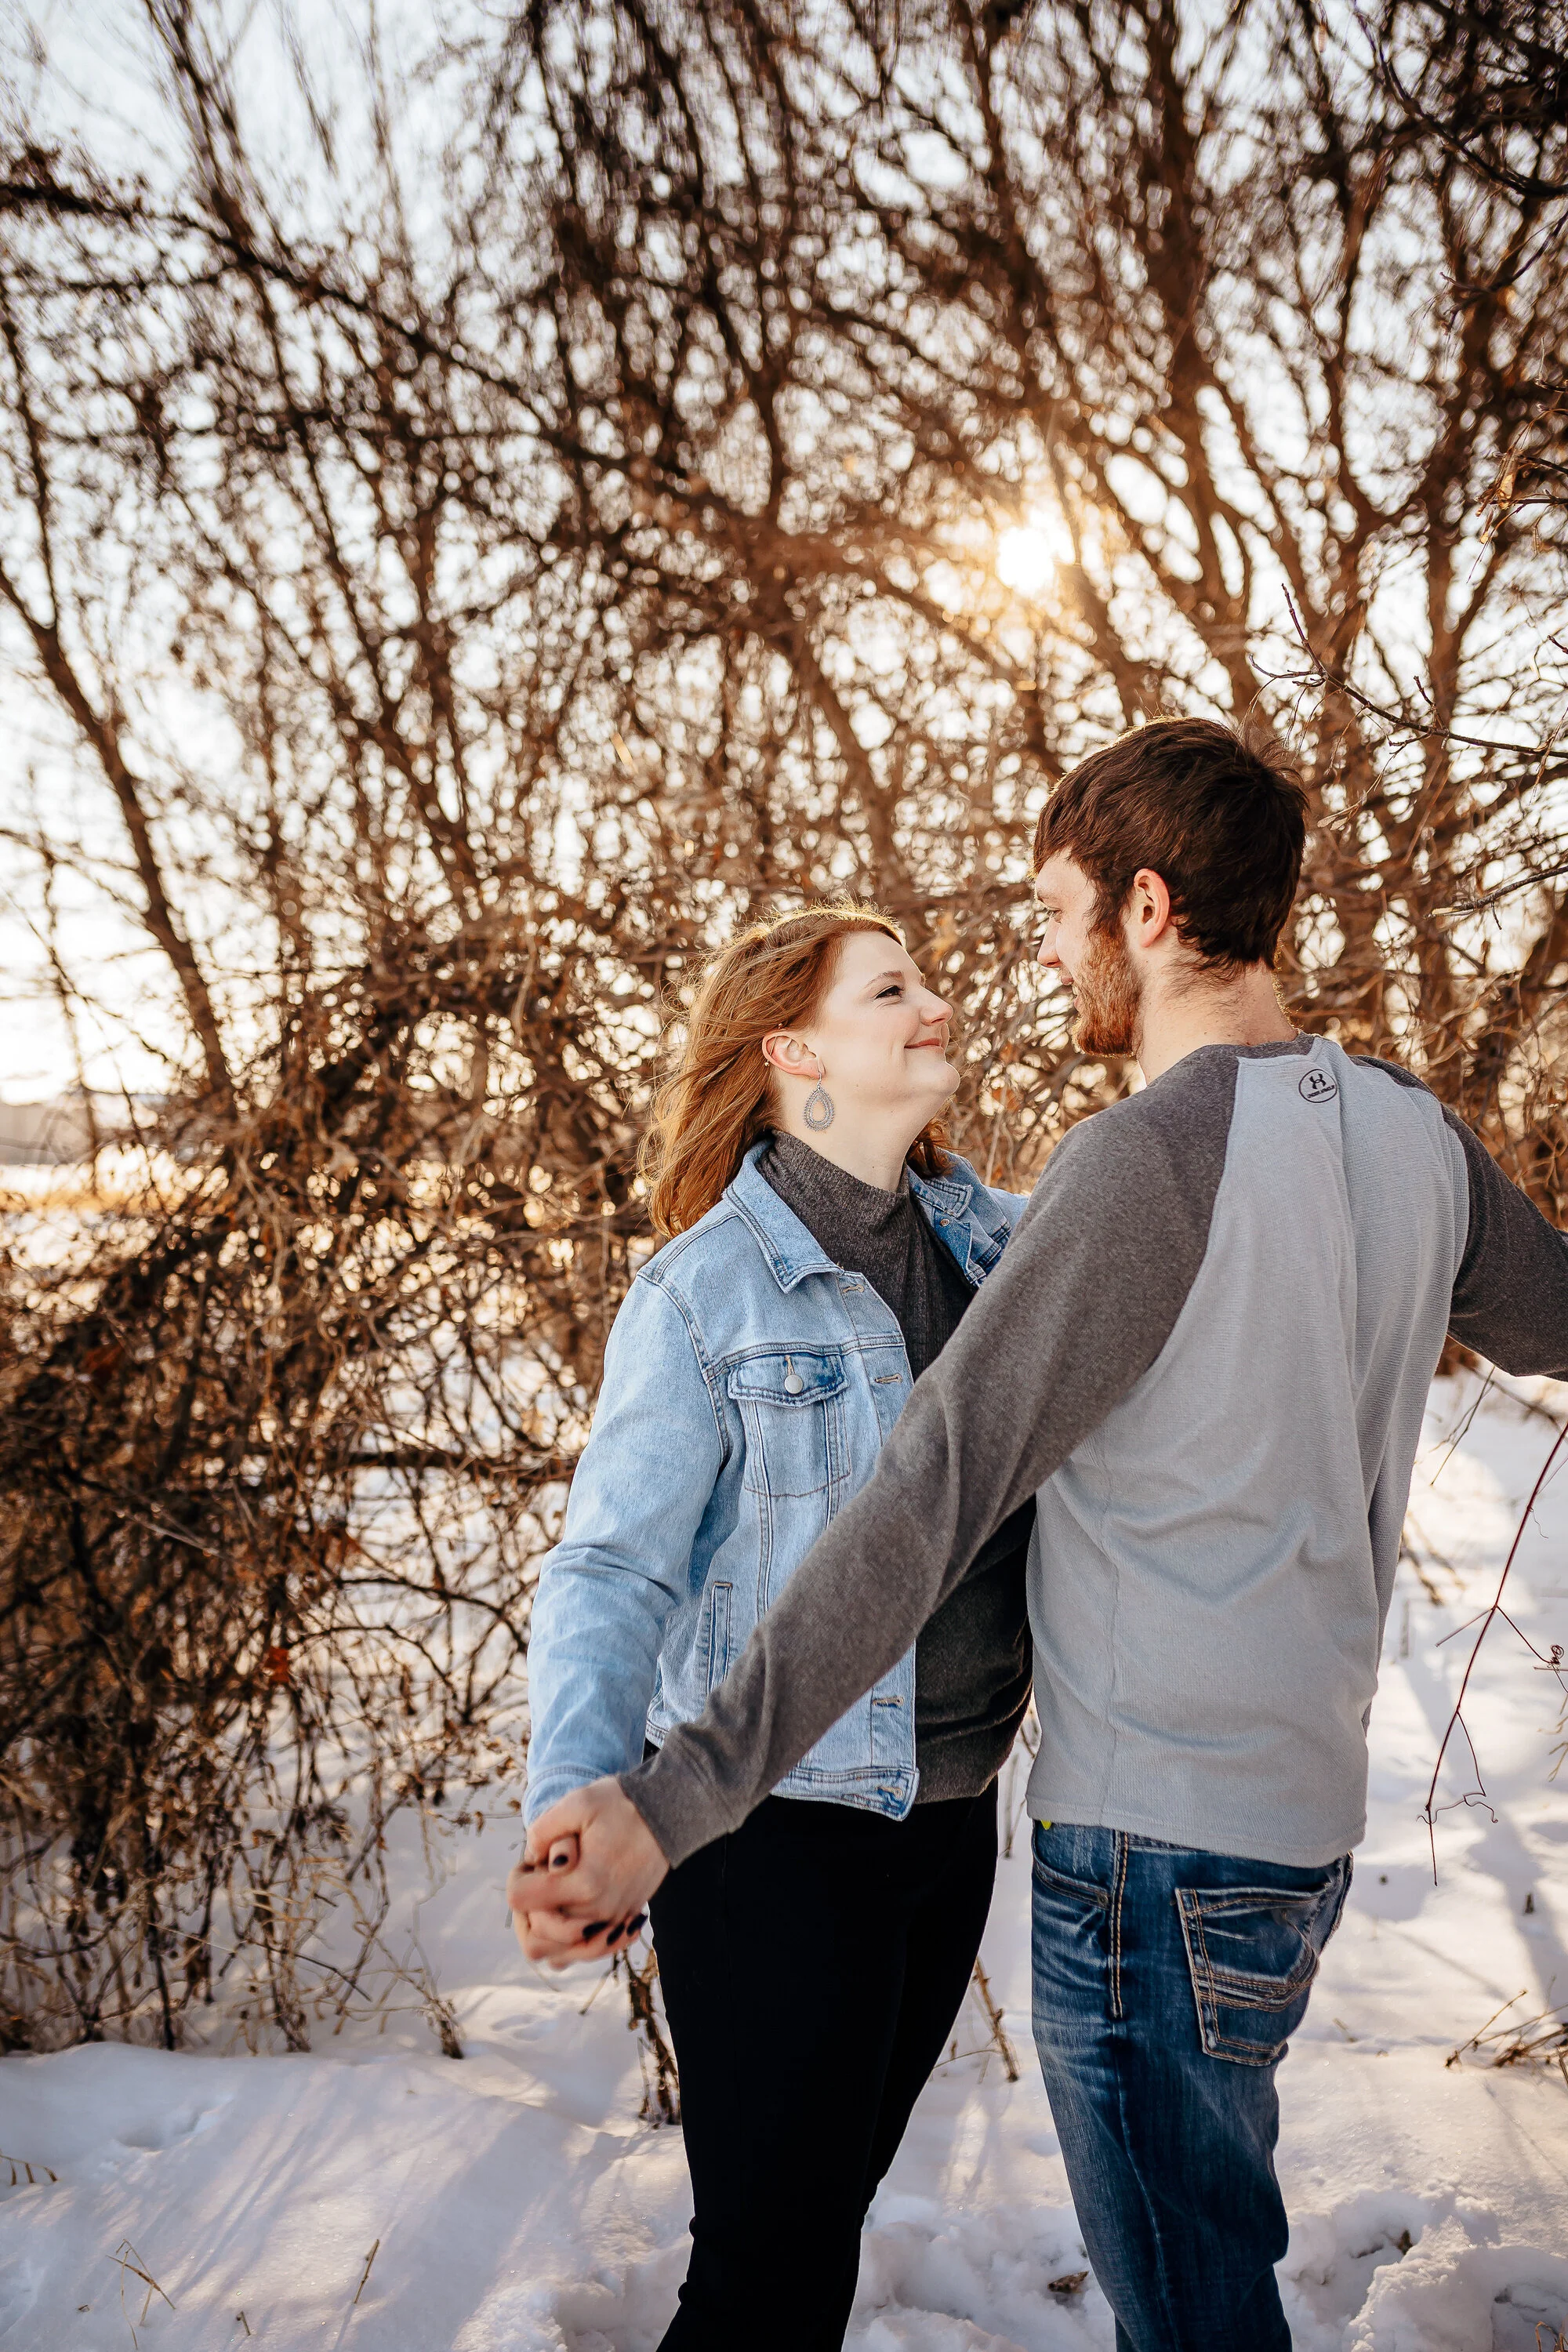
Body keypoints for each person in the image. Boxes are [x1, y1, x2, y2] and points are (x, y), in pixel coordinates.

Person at [515, 717, 1568, 2352]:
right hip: (1292, 1831)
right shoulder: (1410, 1133)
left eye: (1058, 914)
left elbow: (931, 1493)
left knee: (1187, 2311)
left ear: (1145, 908)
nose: (1033, 963)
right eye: (895, 987)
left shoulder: (1125, 1172)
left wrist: (673, 1795)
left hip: (1147, 1844)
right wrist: (609, 1778)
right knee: (829, 2259)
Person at [512, 902, 1037, 2352]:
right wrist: (580, 1803)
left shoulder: (996, 1246)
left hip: (950, 1822)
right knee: (770, 2277)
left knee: (813, 2226)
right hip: (772, 1842)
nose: (936, 1005)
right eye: (891, 990)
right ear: (793, 1050)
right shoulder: (706, 1291)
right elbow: (612, 1568)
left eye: (926, 981)